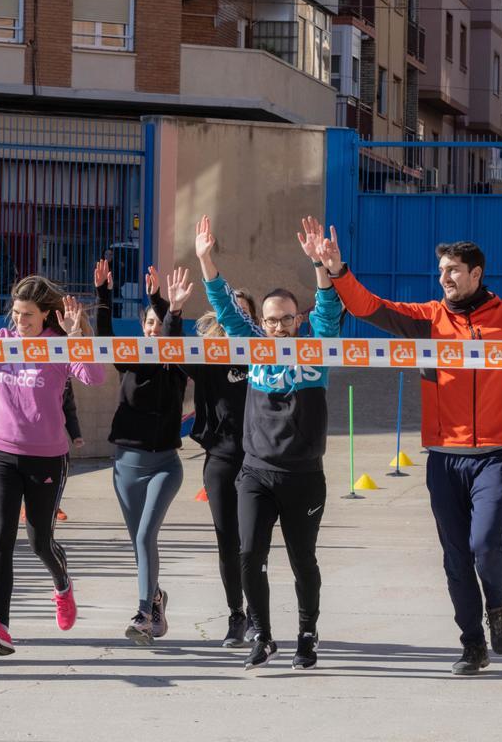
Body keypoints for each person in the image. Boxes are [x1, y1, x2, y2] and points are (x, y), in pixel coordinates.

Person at [317, 208, 502, 675]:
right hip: (443, 458)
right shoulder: (427, 319)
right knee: (455, 558)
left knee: (485, 545)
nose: (444, 278)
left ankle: (497, 605)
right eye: (441, 271)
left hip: (494, 456)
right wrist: (336, 271)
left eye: (453, 270)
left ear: (476, 272)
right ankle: (472, 644)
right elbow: (369, 307)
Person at [195, 214, 342, 671]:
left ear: (298, 321)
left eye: (286, 320)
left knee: (303, 562)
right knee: (248, 555)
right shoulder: (253, 344)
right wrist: (205, 259)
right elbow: (223, 307)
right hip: (255, 471)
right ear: (262, 323)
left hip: (303, 475)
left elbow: (328, 309)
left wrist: (321, 265)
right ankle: (262, 634)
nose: (278, 328)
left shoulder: (317, 346)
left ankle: (307, 635)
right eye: (271, 321)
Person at [0, 269, 105, 657]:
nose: (18, 321)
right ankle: (1, 625)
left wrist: (80, 337)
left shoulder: (59, 345)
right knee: (0, 541)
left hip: (46, 456)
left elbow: (94, 378)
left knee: (40, 541)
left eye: (27, 314)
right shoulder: (1, 342)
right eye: (15, 313)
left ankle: (62, 586)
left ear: (45, 315)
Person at [94, 260, 187, 645]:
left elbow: (171, 337)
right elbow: (103, 335)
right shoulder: (129, 360)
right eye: (147, 323)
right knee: (140, 544)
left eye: (157, 323)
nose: (153, 328)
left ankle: (144, 612)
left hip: (164, 465)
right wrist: (103, 296)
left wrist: (165, 305)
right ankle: (157, 598)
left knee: (147, 535)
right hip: (125, 466)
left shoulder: (177, 363)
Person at [169, 286, 253, 648]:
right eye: (232, 314)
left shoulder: (263, 354)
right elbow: (172, 351)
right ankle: (236, 614)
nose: (238, 320)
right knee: (227, 541)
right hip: (220, 458)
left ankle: (257, 617)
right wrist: (172, 312)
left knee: (253, 543)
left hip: (258, 460)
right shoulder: (207, 359)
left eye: (245, 314)